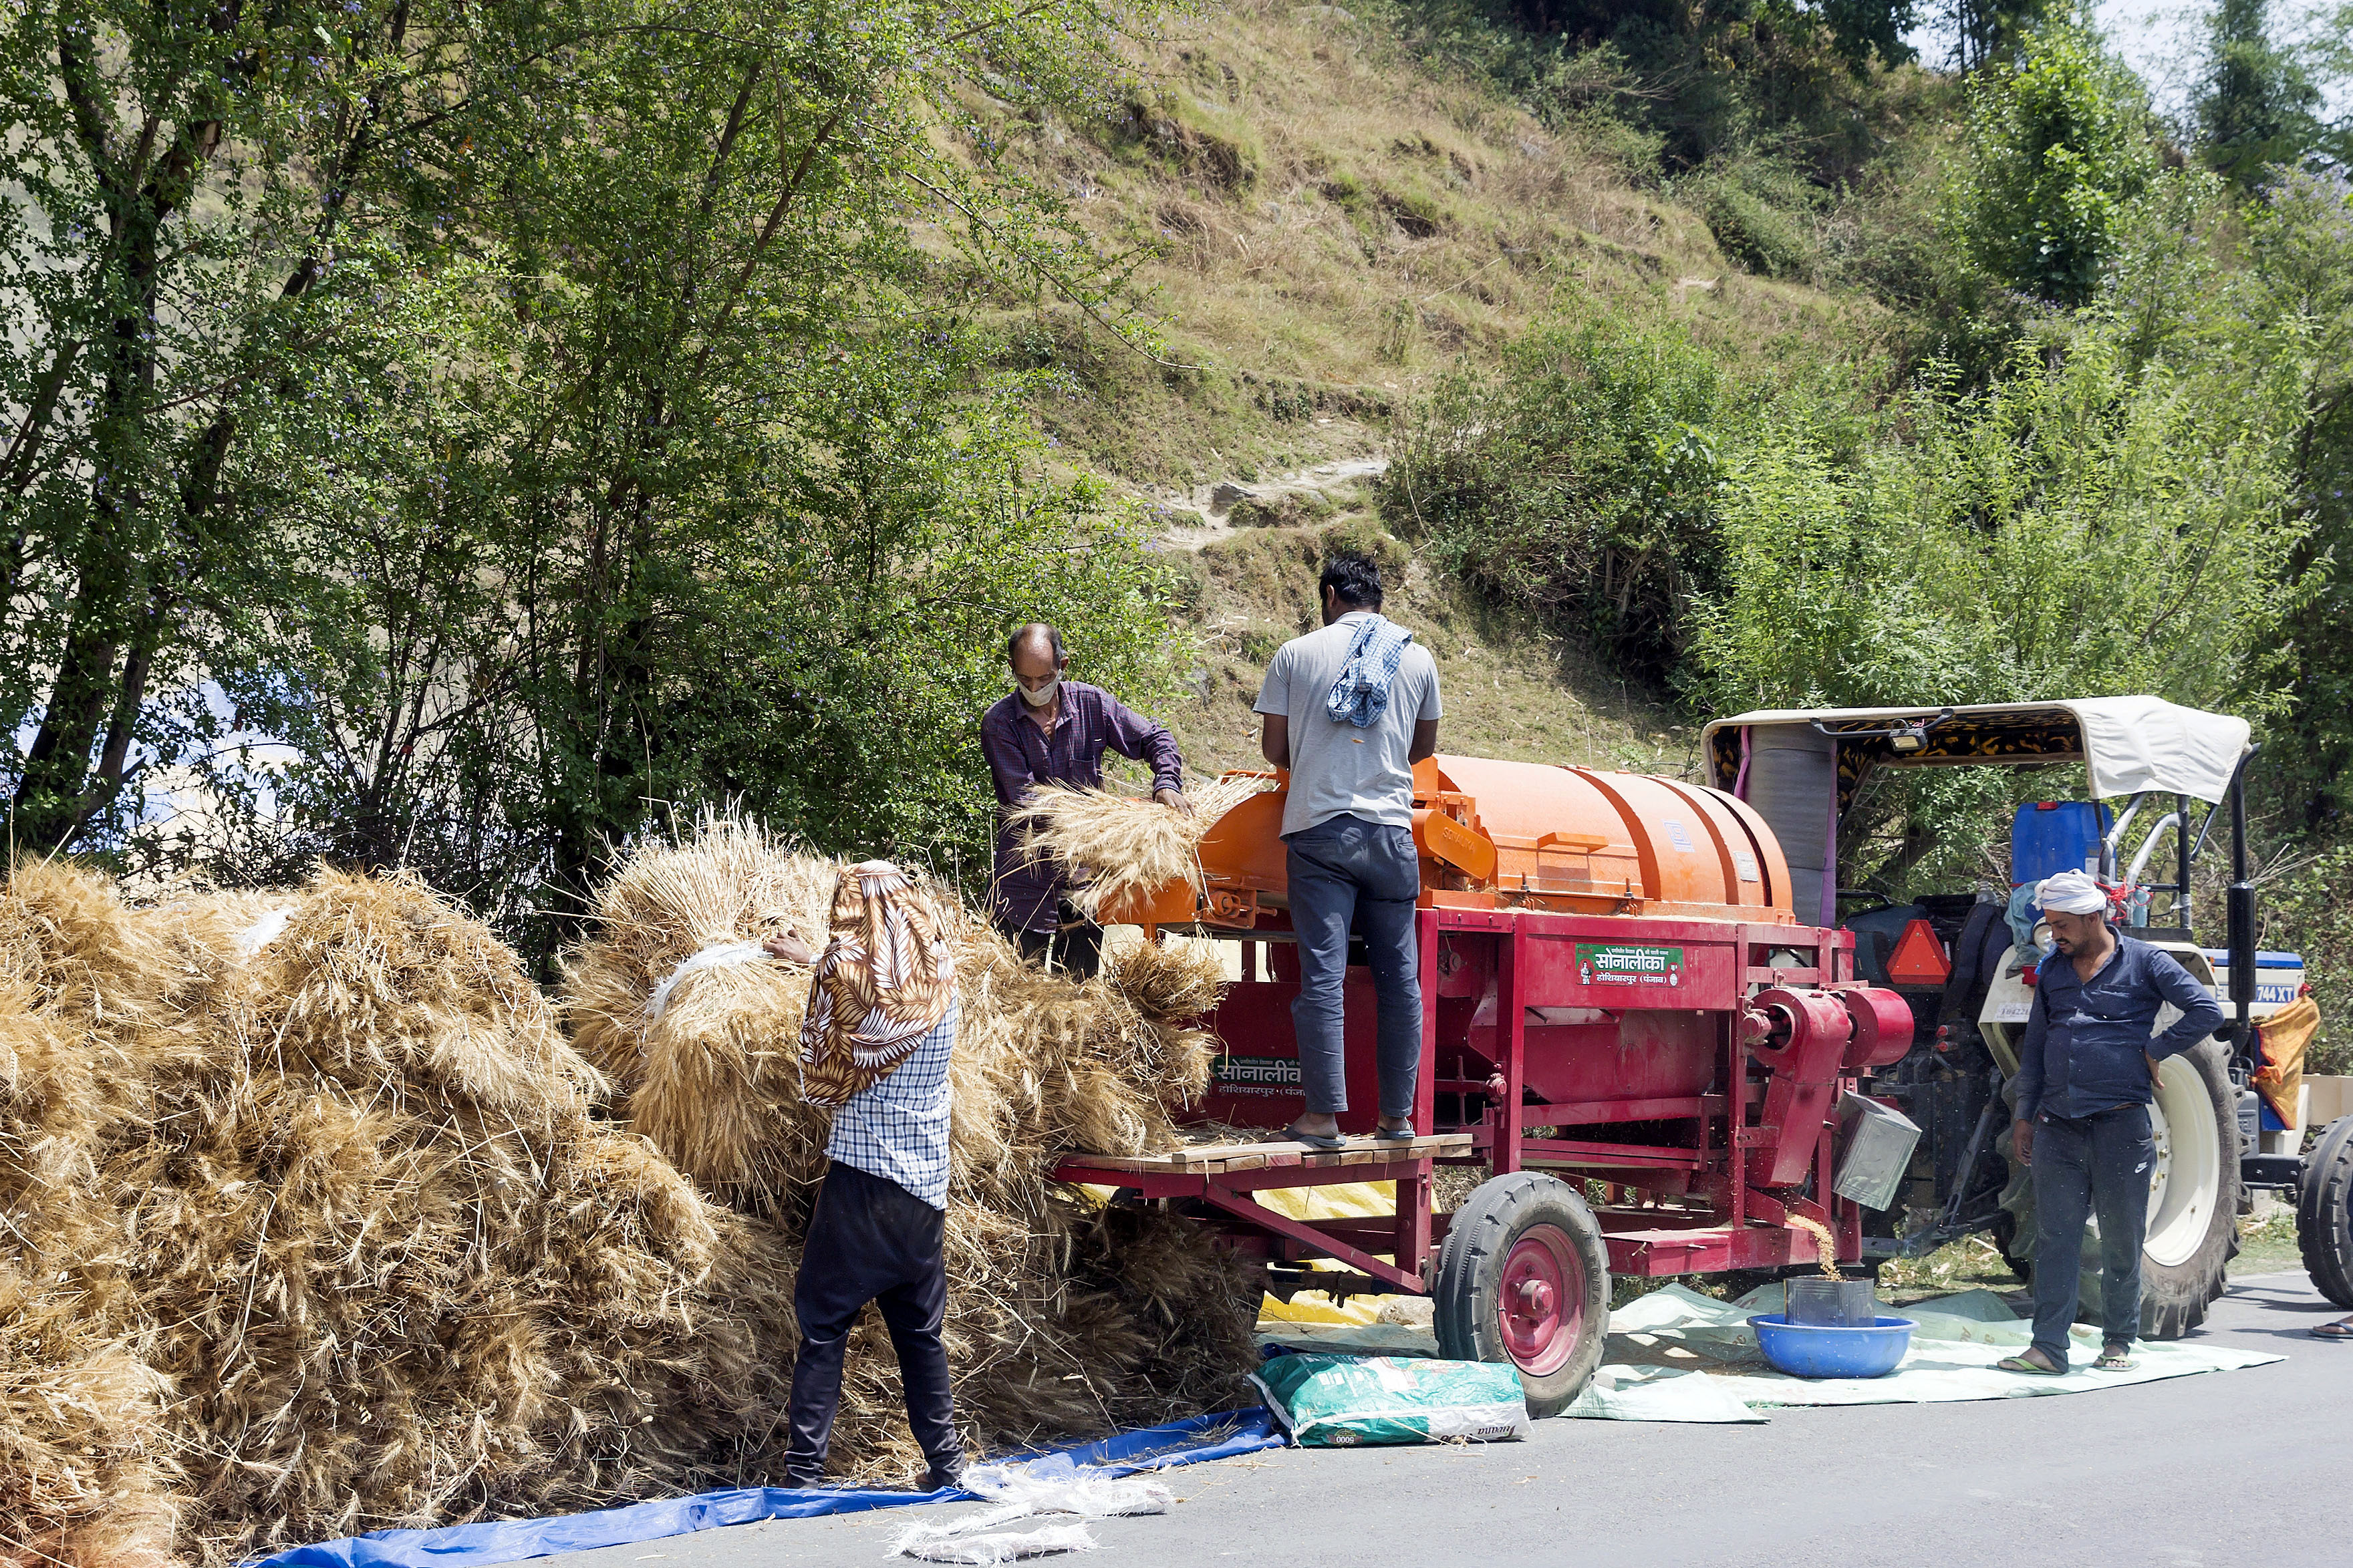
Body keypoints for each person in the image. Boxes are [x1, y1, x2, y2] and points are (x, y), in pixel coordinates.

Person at [763, 861, 965, 1492]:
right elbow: (875, 979)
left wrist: (810, 960)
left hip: (864, 1183)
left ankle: (803, 1472)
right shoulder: (944, 982)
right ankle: (947, 1464)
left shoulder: (850, 986)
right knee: (920, 1335)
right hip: (925, 1190)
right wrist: (817, 960)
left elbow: (835, 1033)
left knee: (824, 1323)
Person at [1997, 869, 2223, 1376]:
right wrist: (2024, 1116)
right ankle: (2047, 1347)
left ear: (2092, 916)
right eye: (2049, 923)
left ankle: (2118, 1341)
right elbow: (2035, 1049)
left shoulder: (2146, 962)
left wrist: (2157, 1048)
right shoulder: (2053, 970)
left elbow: (2205, 1010)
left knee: (2122, 1240)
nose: (2054, 933)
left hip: (2121, 1128)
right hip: (2057, 1126)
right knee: (2057, 1239)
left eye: (2062, 924)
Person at [1252, 556, 1441, 1149]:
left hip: (1322, 834)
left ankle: (1322, 1118)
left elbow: (1274, 750)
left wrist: (1319, 756)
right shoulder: (1415, 656)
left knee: (1323, 978)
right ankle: (1396, 1118)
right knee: (1400, 983)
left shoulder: (1295, 653)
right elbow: (1421, 746)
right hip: (1391, 838)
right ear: (1378, 599)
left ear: (1330, 594)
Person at [979, 622, 1188, 979]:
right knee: (1014, 990)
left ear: (1063, 666)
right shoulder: (1000, 723)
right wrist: (1113, 824)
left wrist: (1167, 783)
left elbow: (1157, 738)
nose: (1034, 689)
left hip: (1086, 882)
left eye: (1045, 679)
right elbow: (1029, 803)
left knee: (1078, 992)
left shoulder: (1091, 704)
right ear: (1012, 669)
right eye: (1025, 679)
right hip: (1024, 883)